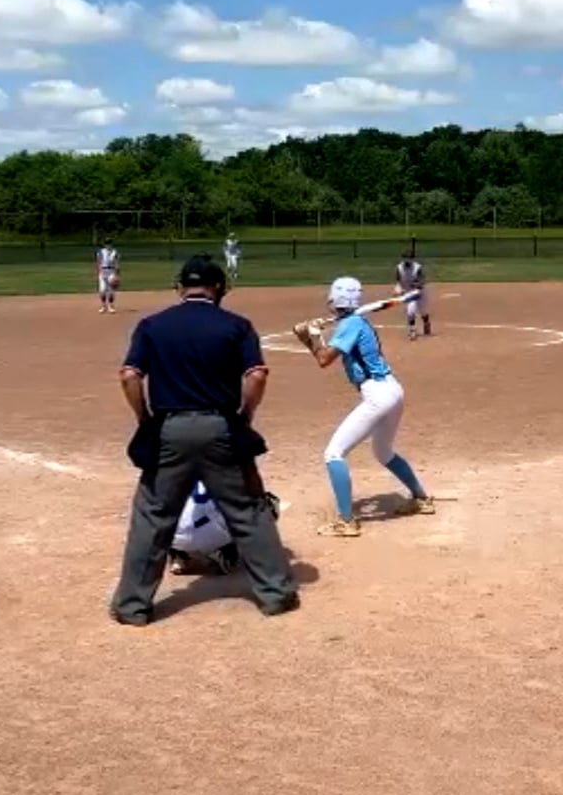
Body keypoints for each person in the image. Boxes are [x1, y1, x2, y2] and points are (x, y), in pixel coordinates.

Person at [110, 255, 298, 624]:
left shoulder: (152, 325)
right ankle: (275, 594)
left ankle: (133, 605)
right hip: (221, 426)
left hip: (169, 427)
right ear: (219, 288)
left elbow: (129, 375)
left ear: (180, 287)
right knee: (247, 510)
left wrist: (145, 419)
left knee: (153, 515)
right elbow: (257, 375)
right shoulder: (236, 325)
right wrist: (244, 416)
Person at [291, 276, 435, 538]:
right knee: (383, 452)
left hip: (378, 395)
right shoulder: (354, 322)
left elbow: (324, 359)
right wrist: (310, 338)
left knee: (333, 453)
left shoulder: (350, 324)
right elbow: (323, 354)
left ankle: (346, 521)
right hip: (391, 390)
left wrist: (313, 337)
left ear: (335, 299)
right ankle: (421, 499)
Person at [169, 481, 290, 577]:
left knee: (168, 510)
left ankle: (177, 554)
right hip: (212, 535)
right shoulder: (224, 467)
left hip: (170, 536)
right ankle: (225, 551)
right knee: (265, 504)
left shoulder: (173, 465)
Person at [394, 249, 432, 340]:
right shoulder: (399, 268)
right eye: (405, 258)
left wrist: (416, 285)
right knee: (410, 311)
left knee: (423, 311)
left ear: (412, 259)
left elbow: (422, 281)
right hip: (409, 293)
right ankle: (412, 331)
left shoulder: (417, 267)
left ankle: (426, 323)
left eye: (408, 258)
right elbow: (398, 280)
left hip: (420, 292)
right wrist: (398, 288)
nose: (406, 260)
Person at [96, 239, 121, 314]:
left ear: (111, 244)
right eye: (107, 243)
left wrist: (117, 275)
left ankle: (111, 306)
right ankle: (103, 306)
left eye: (109, 243)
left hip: (111, 272)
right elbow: (98, 262)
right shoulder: (100, 252)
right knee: (102, 290)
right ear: (104, 244)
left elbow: (117, 263)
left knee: (111, 291)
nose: (108, 245)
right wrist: (99, 272)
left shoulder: (115, 252)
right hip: (103, 272)